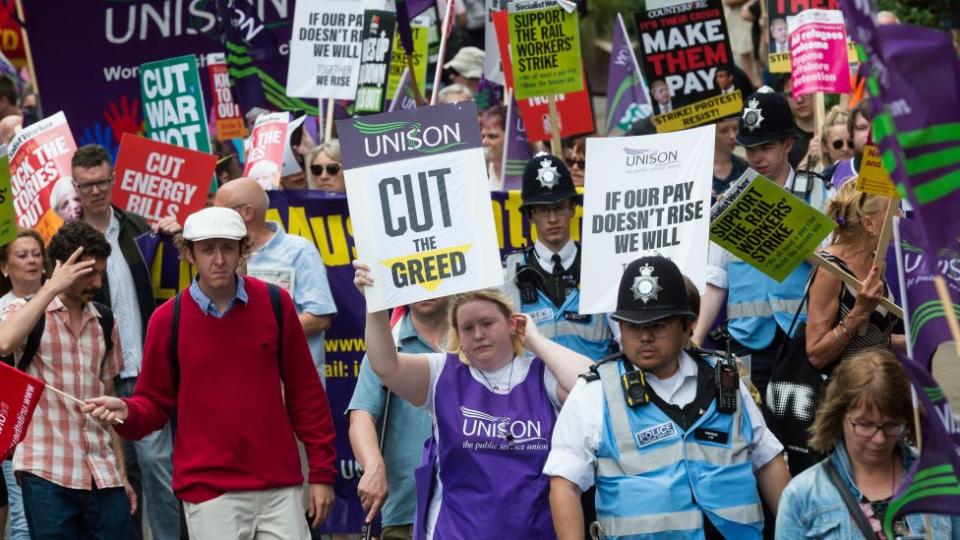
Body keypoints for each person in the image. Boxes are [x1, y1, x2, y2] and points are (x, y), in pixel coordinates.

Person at [83, 207, 337, 539]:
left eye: (228, 247)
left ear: (242, 249)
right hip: (209, 493)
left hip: (280, 487)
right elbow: (153, 404)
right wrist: (127, 411)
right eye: (207, 249)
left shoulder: (276, 303)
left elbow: (307, 396)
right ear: (188, 253)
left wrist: (321, 474)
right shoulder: (166, 320)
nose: (219, 259)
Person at [546, 256, 791, 539]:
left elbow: (768, 460)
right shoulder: (593, 391)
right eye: (634, 326)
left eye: (659, 325)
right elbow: (564, 483)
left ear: (688, 326)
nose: (645, 336)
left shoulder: (725, 378)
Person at [352, 264, 593, 539]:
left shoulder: (541, 374)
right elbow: (384, 365)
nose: (478, 334)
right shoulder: (442, 372)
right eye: (467, 328)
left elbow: (591, 386)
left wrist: (535, 340)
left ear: (512, 324)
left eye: (487, 323)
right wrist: (374, 304)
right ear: (458, 336)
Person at [72, 143, 182, 540]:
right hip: (100, 376)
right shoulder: (71, 240)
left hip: (146, 370)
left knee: (157, 466)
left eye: (102, 182)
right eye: (87, 185)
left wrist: (176, 239)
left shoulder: (138, 228)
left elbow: (177, 278)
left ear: (113, 180)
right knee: (118, 476)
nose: (96, 191)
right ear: (76, 187)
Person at [0, 221, 134, 540]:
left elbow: (109, 395)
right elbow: (4, 343)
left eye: (101, 272)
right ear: (62, 268)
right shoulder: (26, 311)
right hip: (47, 473)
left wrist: (122, 474)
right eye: (89, 273)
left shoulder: (105, 320)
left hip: (103, 475)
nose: (98, 282)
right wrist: (51, 288)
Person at [694, 87, 829, 398]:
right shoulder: (731, 201)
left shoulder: (821, 195)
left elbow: (837, 271)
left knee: (803, 437)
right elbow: (716, 279)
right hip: (746, 343)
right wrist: (696, 339)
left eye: (766, 147)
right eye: (749, 148)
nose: (756, 158)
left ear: (788, 144)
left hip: (805, 341)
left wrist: (796, 241)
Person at [776, 350, 960, 538]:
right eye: (865, 425)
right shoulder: (802, 496)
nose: (879, 439)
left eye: (891, 425)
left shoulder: (939, 477)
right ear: (839, 416)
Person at [214, 177, 337, 381]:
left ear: (247, 212)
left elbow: (320, 317)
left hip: (291, 388)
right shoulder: (220, 256)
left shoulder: (299, 251)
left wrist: (260, 335)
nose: (215, 218)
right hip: (238, 383)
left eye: (221, 211)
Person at [347, 298, 448, 540]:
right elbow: (361, 417)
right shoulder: (388, 346)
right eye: (417, 278)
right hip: (407, 512)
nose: (425, 287)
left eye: (432, 273)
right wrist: (373, 466)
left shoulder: (475, 338)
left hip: (473, 507)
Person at [502, 154, 614, 360]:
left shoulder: (601, 264)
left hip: (595, 388)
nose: (553, 219)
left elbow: (624, 339)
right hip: (536, 390)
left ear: (572, 209)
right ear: (530, 216)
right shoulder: (507, 273)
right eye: (544, 210)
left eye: (559, 208)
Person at [806, 183, 900, 372]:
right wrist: (860, 312)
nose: (901, 216)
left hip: (876, 384)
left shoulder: (876, 261)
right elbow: (816, 355)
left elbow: (872, 338)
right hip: (845, 390)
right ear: (869, 224)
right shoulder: (830, 270)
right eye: (893, 210)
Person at [0, 228, 50, 540]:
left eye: (35, 254)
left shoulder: (68, 302)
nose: (31, 261)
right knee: (22, 519)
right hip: (17, 427)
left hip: (61, 424)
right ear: (5, 267)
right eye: (22, 255)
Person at [831, 100, 871, 189]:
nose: (870, 135)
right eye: (862, 127)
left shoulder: (905, 178)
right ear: (852, 133)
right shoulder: (833, 173)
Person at [712, 116, 748, 201]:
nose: (732, 136)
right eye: (724, 131)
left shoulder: (745, 165)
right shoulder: (697, 171)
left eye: (735, 129)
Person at [819, 106, 853, 179]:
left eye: (851, 143)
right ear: (824, 146)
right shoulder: (816, 180)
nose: (845, 148)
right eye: (838, 144)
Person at [480, 105, 506, 190]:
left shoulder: (529, 172)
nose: (484, 142)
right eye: (483, 136)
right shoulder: (477, 172)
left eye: (492, 136)